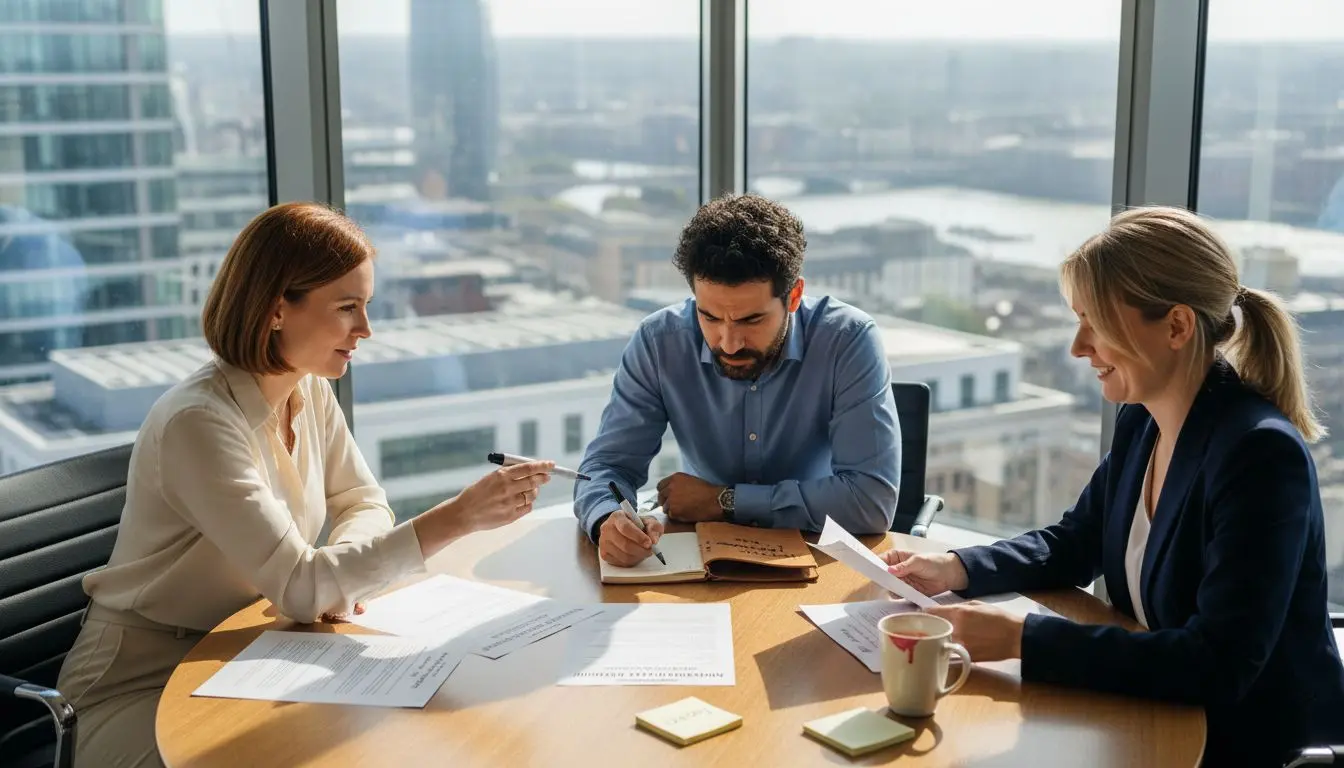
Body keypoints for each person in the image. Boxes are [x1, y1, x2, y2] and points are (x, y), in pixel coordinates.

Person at [56, 202, 554, 767]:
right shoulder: (198, 422)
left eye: (365, 307)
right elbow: (299, 588)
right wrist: (456, 518)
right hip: (141, 683)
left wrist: (338, 579)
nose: (365, 329)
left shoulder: (308, 390)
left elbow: (361, 501)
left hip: (249, 655)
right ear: (275, 310)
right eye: (347, 309)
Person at [881, 206, 1344, 767]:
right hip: (1148, 710)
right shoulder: (1145, 420)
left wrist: (1018, 638)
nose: (1078, 346)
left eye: (1094, 322)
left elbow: (1218, 664)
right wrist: (959, 568)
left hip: (1242, 745)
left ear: (1176, 326)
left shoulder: (1259, 455)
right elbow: (1077, 541)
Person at [575, 193, 901, 566]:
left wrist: (724, 501)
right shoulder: (658, 342)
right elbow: (607, 467)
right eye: (710, 317)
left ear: (793, 296)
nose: (728, 343)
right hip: (699, 558)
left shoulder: (847, 340)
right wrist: (606, 519)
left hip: (821, 558)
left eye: (751, 320)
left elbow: (871, 501)